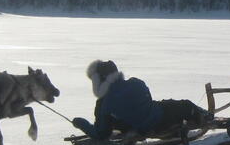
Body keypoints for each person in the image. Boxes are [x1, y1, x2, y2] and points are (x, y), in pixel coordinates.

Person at [73, 60, 214, 140]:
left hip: (141, 125)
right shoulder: (136, 83)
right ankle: (205, 116)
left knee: (167, 105)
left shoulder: (104, 103)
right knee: (184, 104)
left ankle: (202, 117)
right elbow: (148, 101)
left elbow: (101, 134)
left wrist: (82, 123)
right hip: (158, 120)